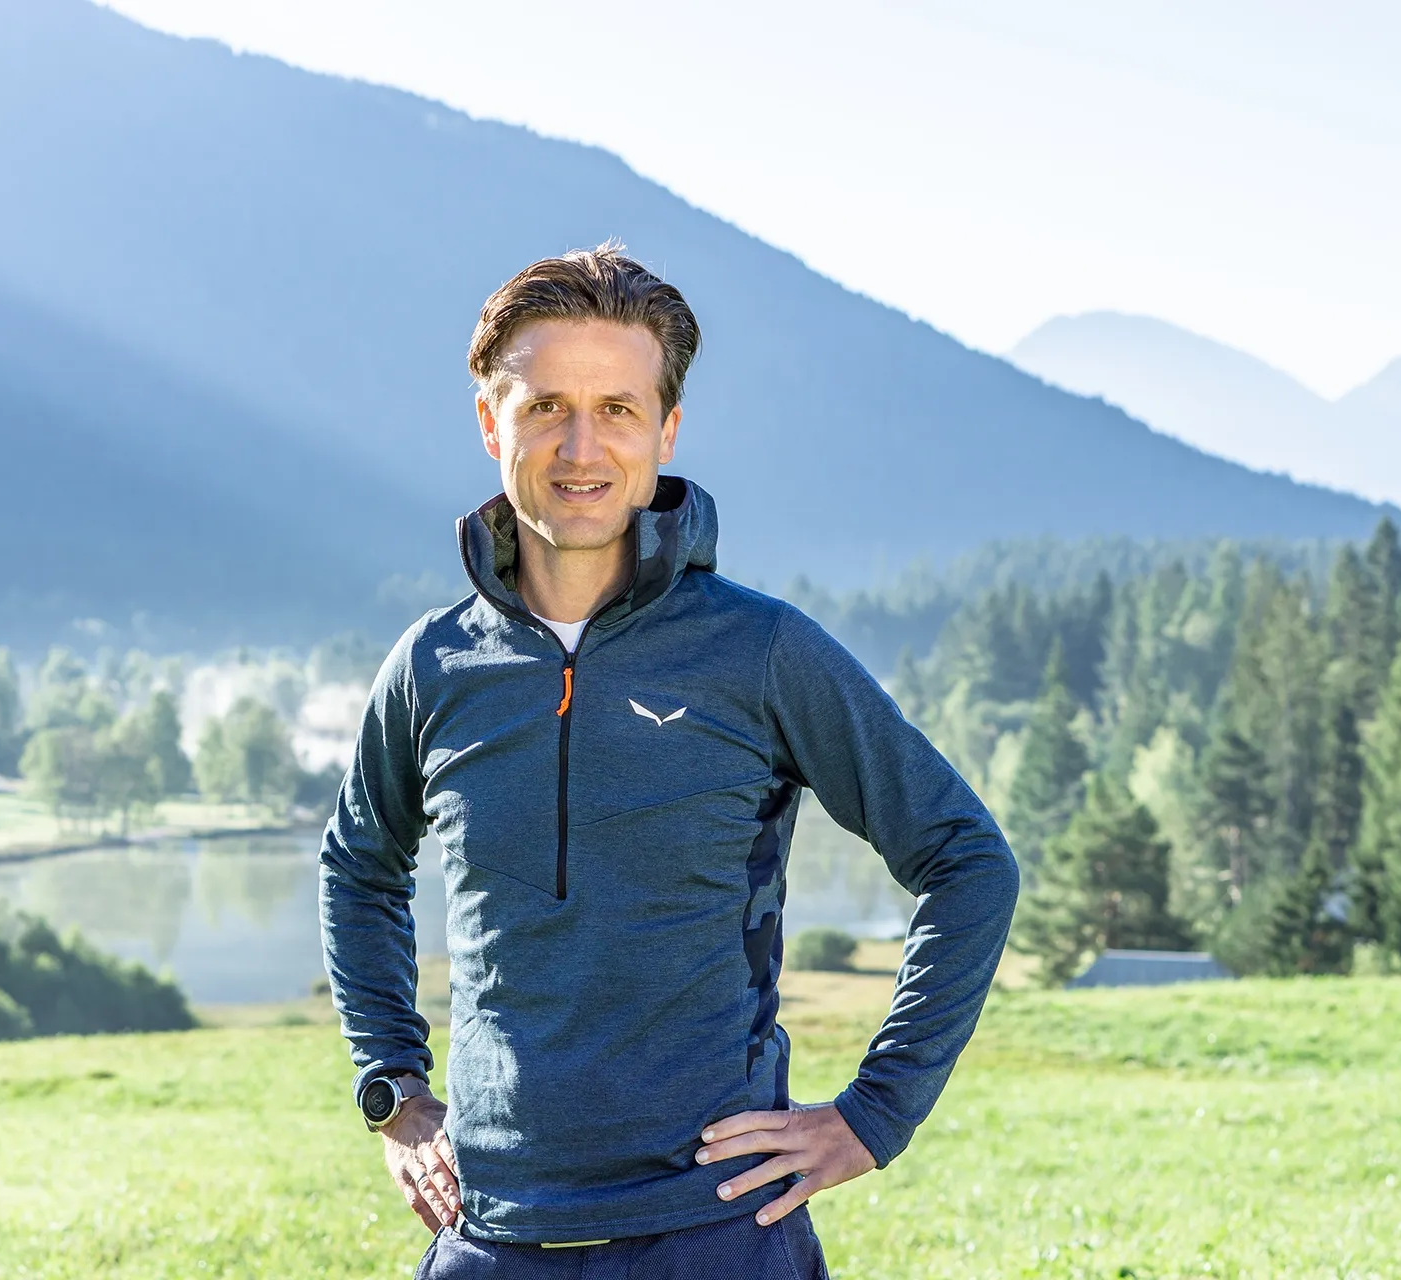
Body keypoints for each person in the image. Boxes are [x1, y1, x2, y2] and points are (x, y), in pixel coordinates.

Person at [319, 244, 1020, 1278]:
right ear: (490, 424)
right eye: (546, 406)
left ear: (666, 431)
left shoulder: (760, 651)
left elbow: (967, 859)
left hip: (716, 1229)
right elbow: (359, 867)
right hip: (491, 1230)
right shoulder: (433, 664)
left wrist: (874, 1114)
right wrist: (394, 1090)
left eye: (617, 408)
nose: (581, 446)